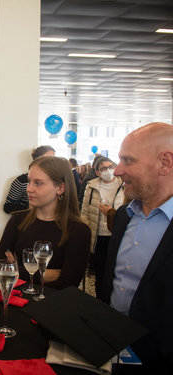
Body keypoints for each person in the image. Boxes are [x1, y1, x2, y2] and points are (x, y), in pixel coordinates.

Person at [100, 122, 173, 373]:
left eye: (128, 161)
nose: (118, 170)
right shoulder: (123, 216)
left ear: (165, 163)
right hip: (111, 352)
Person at [0, 156, 91, 289]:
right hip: (16, 299)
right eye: (29, 181)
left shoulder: (78, 230)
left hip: (54, 305)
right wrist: (45, 274)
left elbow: (68, 282)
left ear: (60, 188)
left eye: (38, 183)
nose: (29, 188)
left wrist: (17, 269)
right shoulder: (18, 220)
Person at [81, 156, 124, 297]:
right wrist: (86, 232)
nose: (108, 170)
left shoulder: (123, 184)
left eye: (111, 166)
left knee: (115, 270)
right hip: (98, 235)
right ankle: (100, 300)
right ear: (98, 172)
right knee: (100, 271)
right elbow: (85, 212)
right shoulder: (92, 186)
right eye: (104, 168)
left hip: (117, 234)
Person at [3, 145, 55, 214]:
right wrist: (30, 207)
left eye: (54, 159)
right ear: (37, 160)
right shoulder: (22, 181)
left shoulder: (57, 180)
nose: (54, 163)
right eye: (49, 159)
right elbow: (8, 207)